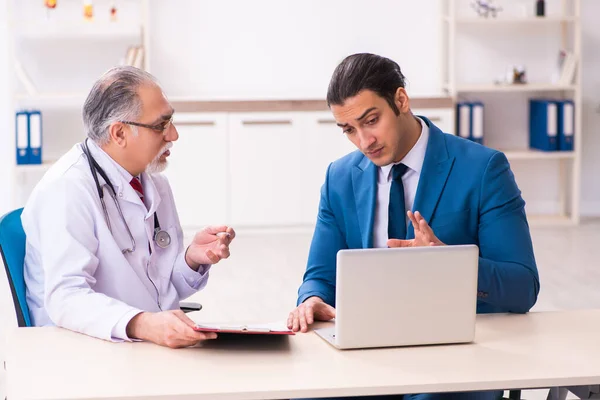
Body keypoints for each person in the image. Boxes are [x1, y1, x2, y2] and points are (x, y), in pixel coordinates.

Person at [287, 53, 540, 400]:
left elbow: (523, 287)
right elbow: (319, 275)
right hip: (366, 357)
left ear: (401, 100)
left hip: (454, 362)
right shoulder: (340, 178)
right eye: (349, 130)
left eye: (371, 120)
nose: (364, 141)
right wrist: (312, 299)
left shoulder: (483, 169)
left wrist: (448, 264)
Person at [22, 66, 235, 348]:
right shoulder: (67, 189)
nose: (173, 134)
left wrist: (192, 260)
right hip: (85, 351)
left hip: (142, 345)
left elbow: (160, 291)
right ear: (119, 133)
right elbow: (66, 298)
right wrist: (144, 324)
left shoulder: (154, 182)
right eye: (161, 125)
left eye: (171, 120)